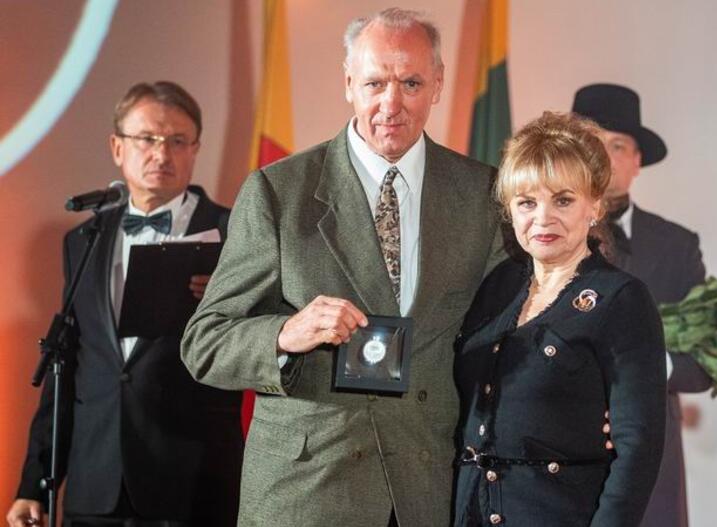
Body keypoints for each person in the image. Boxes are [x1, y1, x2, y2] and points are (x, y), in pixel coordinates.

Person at [180, 8, 504, 527]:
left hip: (430, 490)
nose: (391, 104)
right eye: (375, 83)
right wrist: (286, 333)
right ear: (349, 82)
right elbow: (205, 343)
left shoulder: (483, 193)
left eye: (411, 83)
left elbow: (509, 334)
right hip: (309, 492)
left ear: (438, 84)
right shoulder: (278, 192)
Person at [5, 81, 243, 527]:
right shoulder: (84, 239)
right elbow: (67, 368)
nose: (162, 153)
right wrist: (34, 485)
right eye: (147, 139)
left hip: (191, 485)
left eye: (177, 141)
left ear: (195, 149)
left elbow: (262, 344)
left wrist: (232, 300)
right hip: (94, 484)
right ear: (118, 147)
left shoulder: (236, 233)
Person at [453, 112, 667, 527]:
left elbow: (637, 449)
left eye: (563, 200)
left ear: (595, 205)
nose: (543, 218)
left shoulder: (622, 299)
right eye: (527, 202)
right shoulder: (497, 286)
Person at [572, 83, 712, 527]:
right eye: (593, 143)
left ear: (637, 161)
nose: (605, 157)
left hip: (651, 462)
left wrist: (653, 364)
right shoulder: (538, 232)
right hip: (558, 459)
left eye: (617, 146)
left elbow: (706, 363)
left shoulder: (677, 246)